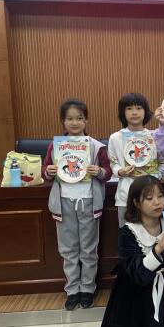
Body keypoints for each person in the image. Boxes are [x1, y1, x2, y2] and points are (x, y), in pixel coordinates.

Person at [92, 176, 164, 327]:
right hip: (134, 295)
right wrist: (158, 249)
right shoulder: (129, 232)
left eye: (160, 196)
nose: (157, 202)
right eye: (149, 198)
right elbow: (138, 274)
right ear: (136, 203)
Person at [42, 99, 112, 310]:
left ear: (86, 120)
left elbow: (108, 173)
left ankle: (87, 289)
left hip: (88, 202)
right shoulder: (55, 146)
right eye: (69, 119)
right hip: (63, 202)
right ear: (63, 121)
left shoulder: (96, 146)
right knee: (68, 249)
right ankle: (72, 290)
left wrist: (98, 171)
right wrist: (49, 171)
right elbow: (45, 172)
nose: (74, 123)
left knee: (88, 249)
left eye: (79, 118)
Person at [108, 93, 164, 227]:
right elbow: (113, 163)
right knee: (127, 233)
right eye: (129, 108)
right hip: (125, 195)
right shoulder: (115, 138)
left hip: (151, 196)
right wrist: (120, 171)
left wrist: (154, 177)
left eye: (139, 108)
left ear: (145, 111)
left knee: (152, 232)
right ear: (122, 112)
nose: (134, 112)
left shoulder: (155, 136)